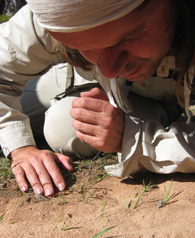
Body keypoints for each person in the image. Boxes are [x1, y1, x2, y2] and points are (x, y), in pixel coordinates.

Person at [0, 0, 195, 197]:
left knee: (62, 126)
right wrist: (20, 148)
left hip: (154, 100)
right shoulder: (54, 9)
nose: (109, 70)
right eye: (83, 47)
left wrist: (132, 136)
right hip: (68, 77)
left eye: (129, 37)